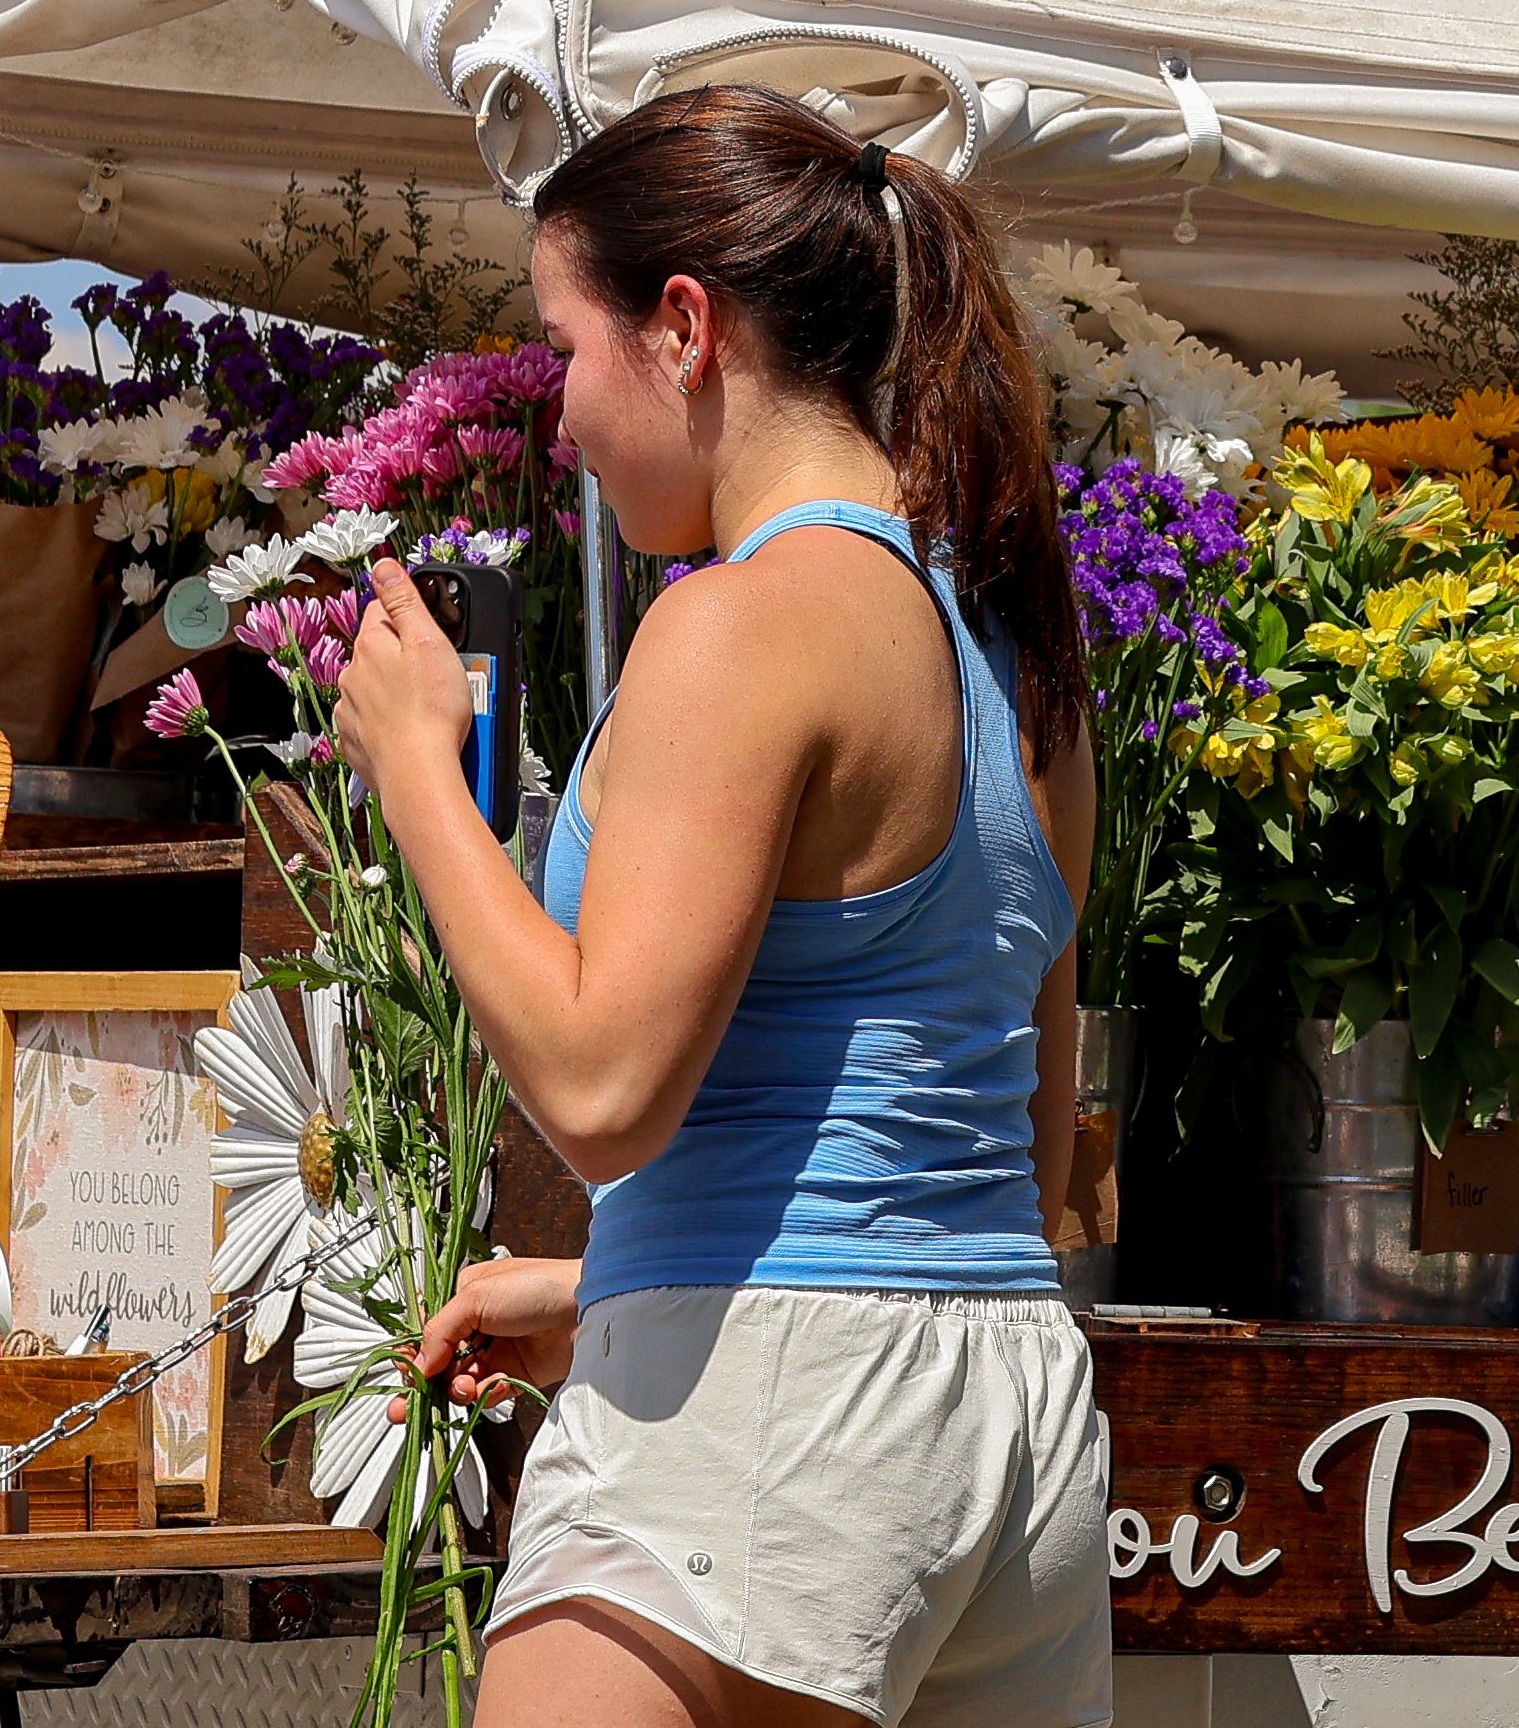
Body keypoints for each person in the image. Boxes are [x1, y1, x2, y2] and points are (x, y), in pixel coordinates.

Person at [356, 86, 1109, 1728]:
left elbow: (604, 1090)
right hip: (1009, 1427)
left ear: (685, 329)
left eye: (565, 345)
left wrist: (418, 774)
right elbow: (1014, 1158)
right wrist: (606, 1287)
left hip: (770, 1431)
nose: (563, 417)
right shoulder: (1019, 655)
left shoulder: (741, 627)